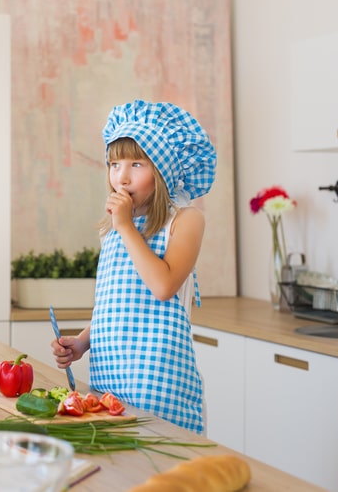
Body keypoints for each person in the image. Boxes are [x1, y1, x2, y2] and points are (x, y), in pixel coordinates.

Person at [50, 99, 217, 434]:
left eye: (137, 164)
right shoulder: (111, 229)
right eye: (114, 164)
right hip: (107, 378)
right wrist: (83, 341)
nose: (121, 177)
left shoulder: (185, 221)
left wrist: (126, 226)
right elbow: (114, 306)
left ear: (163, 171)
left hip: (158, 384)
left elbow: (162, 286)